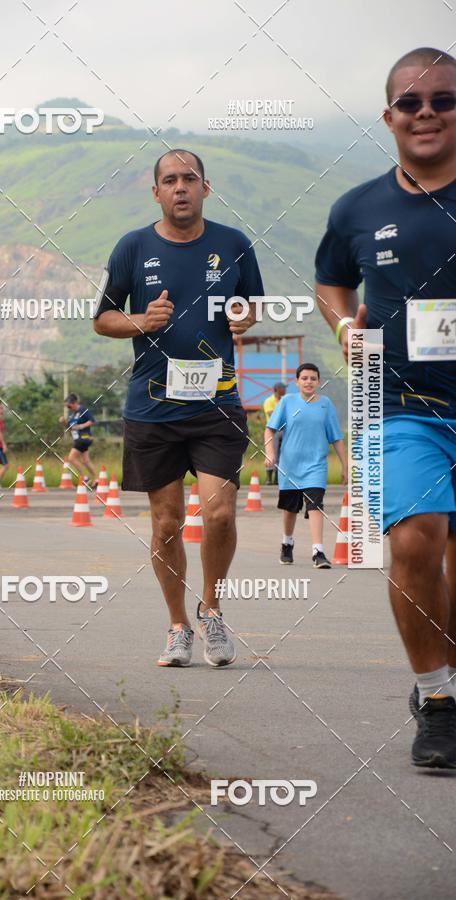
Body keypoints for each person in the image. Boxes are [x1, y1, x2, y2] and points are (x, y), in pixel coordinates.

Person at [315, 47, 456, 767]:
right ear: (388, 116)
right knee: (415, 537)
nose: (426, 112)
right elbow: (330, 283)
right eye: (411, 102)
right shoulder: (358, 208)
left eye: (442, 99)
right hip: (400, 404)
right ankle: (437, 699)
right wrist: (344, 327)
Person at [93, 148, 263, 667]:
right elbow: (102, 319)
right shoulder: (134, 246)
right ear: (156, 192)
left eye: (190, 178)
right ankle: (177, 626)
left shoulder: (234, 244)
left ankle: (211, 610)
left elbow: (252, 302)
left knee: (219, 513)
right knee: (166, 525)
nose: (181, 187)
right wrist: (142, 321)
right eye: (170, 180)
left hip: (218, 402)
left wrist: (245, 317)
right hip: (152, 408)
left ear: (206, 188)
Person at [264, 364, 347, 568]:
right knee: (290, 509)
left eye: (312, 378)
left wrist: (345, 465)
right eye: (304, 378)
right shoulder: (287, 402)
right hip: (289, 466)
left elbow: (336, 438)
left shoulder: (325, 405)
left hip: (316, 466)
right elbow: (269, 430)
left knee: (315, 505)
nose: (308, 381)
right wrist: (271, 453)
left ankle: (318, 551)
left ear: (318, 382)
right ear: (297, 381)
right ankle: (287, 543)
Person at [58, 393, 98, 488]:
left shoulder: (83, 410)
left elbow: (92, 421)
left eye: (69, 406)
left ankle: (84, 478)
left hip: (83, 438)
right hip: (78, 439)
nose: (68, 408)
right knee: (85, 461)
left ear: (75, 403)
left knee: (71, 458)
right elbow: (70, 428)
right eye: (66, 407)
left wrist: (81, 426)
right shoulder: (73, 414)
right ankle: (97, 479)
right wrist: (63, 423)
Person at [262, 382, 286, 484]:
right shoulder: (269, 401)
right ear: (277, 389)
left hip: (284, 430)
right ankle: (269, 478)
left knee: (283, 455)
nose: (284, 390)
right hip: (273, 430)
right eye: (283, 388)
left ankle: (277, 478)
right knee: (272, 453)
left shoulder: (284, 401)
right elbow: (273, 415)